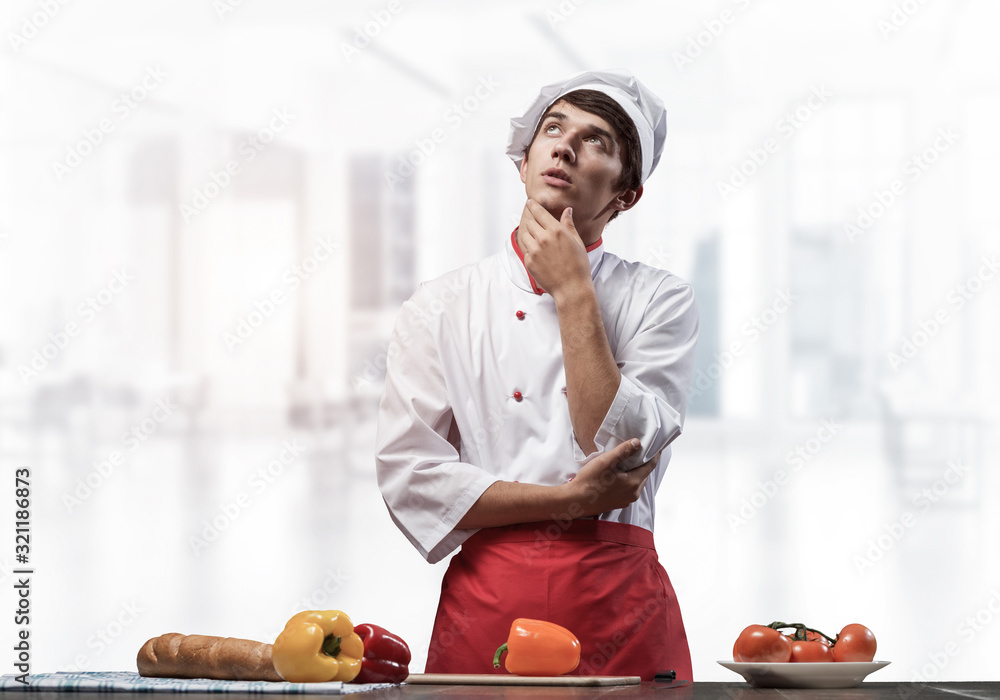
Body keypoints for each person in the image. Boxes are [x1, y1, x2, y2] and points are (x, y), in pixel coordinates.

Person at [374, 69, 699, 681]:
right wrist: (571, 501)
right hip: (491, 603)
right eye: (554, 128)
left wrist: (574, 288)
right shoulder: (442, 305)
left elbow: (618, 446)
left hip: (619, 603)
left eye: (598, 140)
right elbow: (410, 476)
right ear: (523, 163)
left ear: (625, 196)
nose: (566, 146)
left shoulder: (660, 298)